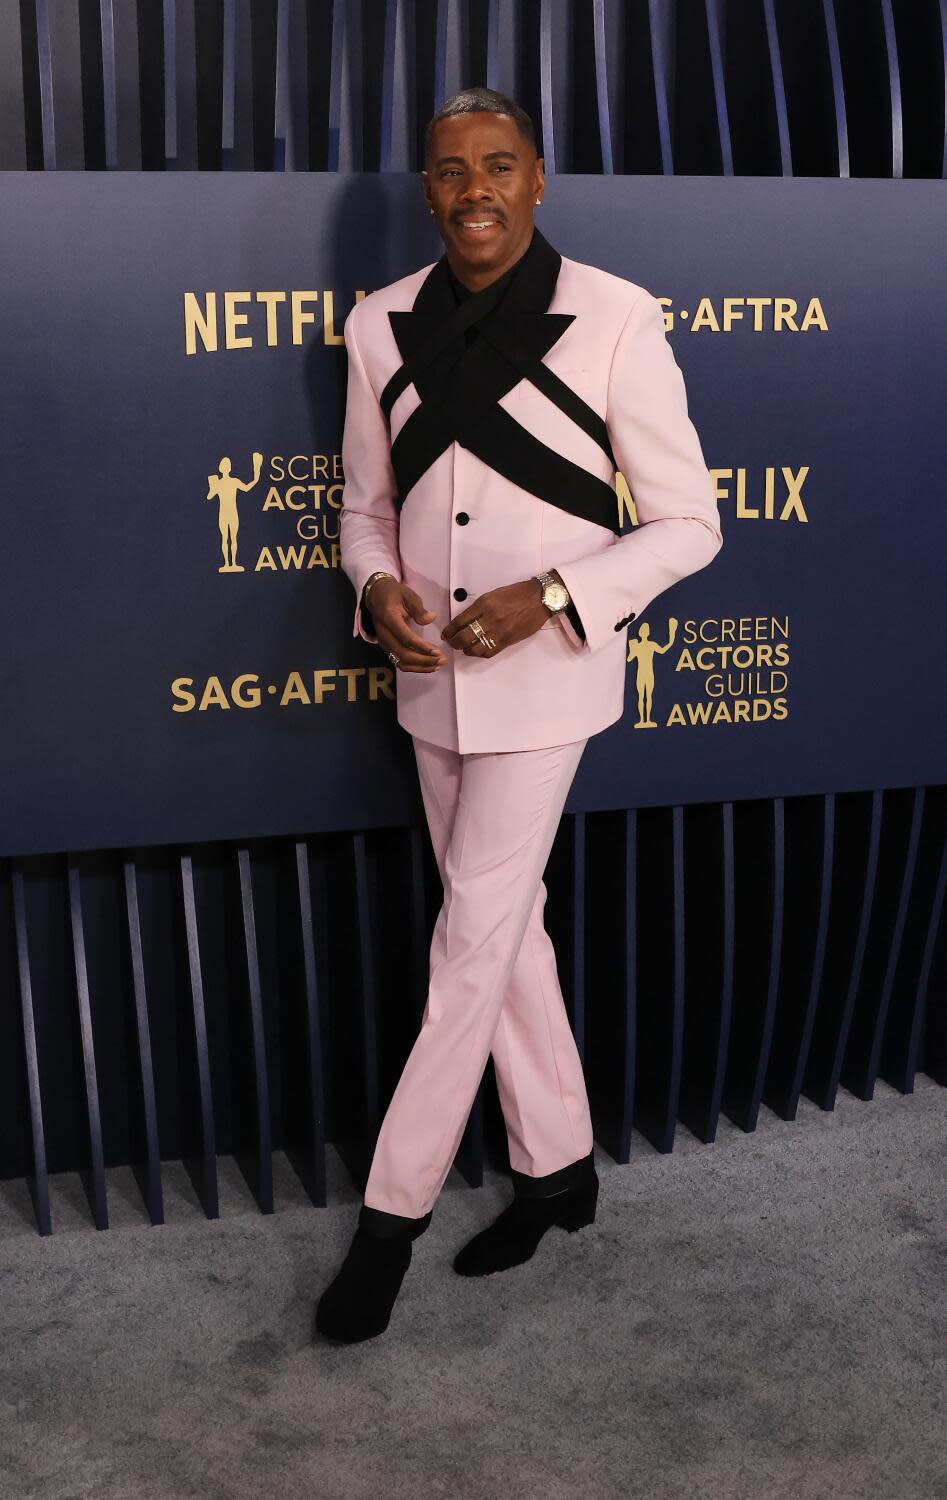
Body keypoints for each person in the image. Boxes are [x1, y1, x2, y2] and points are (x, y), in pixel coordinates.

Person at [315, 86, 723, 1343]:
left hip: (545, 684)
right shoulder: (380, 324)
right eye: (449, 171)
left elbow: (687, 525)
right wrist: (372, 582)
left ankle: (388, 1222)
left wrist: (550, 594)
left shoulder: (613, 316)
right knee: (509, 933)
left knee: (468, 941)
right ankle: (558, 1171)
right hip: (428, 677)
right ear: (426, 188)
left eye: (498, 165)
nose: (473, 188)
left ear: (537, 178)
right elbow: (362, 505)